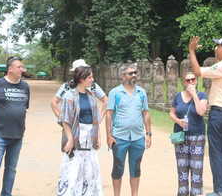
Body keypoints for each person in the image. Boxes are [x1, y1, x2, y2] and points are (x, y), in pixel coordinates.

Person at [188, 36, 222, 196]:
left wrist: (191, 50)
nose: (215, 49)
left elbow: (197, 72)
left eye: (217, 46)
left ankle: (220, 190)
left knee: (216, 151)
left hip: (219, 114)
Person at [0, 56, 30, 196]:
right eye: (19, 67)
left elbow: (23, 108)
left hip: (17, 135)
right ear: (10, 69)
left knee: (11, 169)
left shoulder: (25, 86)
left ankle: (6, 194)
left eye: (22, 67)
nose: (22, 69)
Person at [56, 65, 103, 196]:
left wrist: (98, 136)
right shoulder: (69, 96)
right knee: (73, 167)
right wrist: (70, 139)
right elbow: (66, 120)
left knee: (90, 168)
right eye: (90, 77)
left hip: (89, 136)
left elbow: (96, 118)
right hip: (77, 134)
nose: (92, 80)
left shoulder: (91, 95)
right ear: (82, 79)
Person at [106, 63, 152, 196]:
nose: (134, 75)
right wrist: (109, 136)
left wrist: (148, 134)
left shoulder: (141, 92)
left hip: (138, 137)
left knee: (136, 168)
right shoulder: (115, 93)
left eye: (135, 73)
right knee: (118, 168)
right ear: (123, 76)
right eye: (131, 73)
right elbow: (109, 114)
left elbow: (146, 113)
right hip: (119, 137)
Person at [169, 71, 208, 196]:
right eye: (188, 80)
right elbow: (172, 113)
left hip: (197, 136)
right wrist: (178, 121)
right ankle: (182, 193)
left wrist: (194, 95)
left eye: (193, 79)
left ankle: (196, 193)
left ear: (196, 81)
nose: (191, 82)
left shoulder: (202, 95)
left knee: (197, 169)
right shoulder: (178, 96)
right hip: (181, 136)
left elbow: (201, 112)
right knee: (182, 169)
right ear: (184, 82)